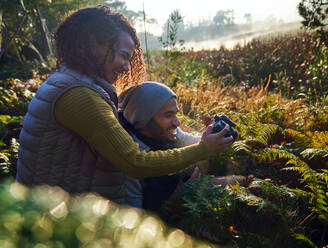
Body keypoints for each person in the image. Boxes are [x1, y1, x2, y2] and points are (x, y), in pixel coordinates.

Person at [15, 6, 233, 205]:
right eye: (123, 56)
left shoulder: (73, 84)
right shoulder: (79, 94)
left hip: (59, 211)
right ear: (94, 45)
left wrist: (206, 138)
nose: (127, 68)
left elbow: (159, 139)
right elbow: (135, 162)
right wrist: (202, 150)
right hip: (55, 220)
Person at [118, 82, 248, 210]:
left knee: (245, 182)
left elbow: (194, 143)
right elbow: (134, 219)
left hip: (188, 192)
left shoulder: (163, 132)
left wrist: (213, 133)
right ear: (143, 118)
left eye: (176, 114)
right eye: (168, 115)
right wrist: (179, 198)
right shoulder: (129, 162)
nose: (177, 122)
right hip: (165, 221)